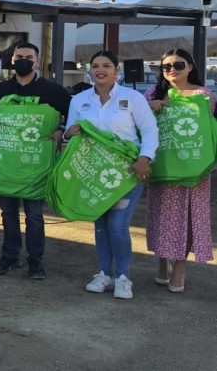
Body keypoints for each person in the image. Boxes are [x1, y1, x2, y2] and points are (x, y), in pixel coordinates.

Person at [65, 50, 158, 300]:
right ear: (90, 71)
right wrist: (70, 132)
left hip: (126, 173)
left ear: (117, 71)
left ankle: (123, 277)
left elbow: (149, 130)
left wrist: (144, 158)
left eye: (106, 65)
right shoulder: (79, 100)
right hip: (92, 173)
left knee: (117, 226)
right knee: (100, 226)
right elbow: (68, 132)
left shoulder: (132, 97)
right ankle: (104, 273)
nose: (100, 69)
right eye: (95, 66)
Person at [0, 42, 71, 280]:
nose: (23, 60)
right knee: (8, 213)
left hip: (36, 167)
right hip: (7, 166)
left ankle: (35, 260)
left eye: (29, 57)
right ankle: (9, 255)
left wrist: (61, 130)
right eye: (19, 56)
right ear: (12, 60)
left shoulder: (53, 91)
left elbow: (73, 115)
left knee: (35, 216)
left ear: (37, 62)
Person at [143, 48, 212, 293]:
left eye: (178, 65)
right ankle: (162, 261)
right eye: (166, 66)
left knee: (188, 218)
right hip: (163, 166)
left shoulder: (205, 96)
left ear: (191, 66)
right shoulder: (152, 94)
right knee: (161, 216)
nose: (172, 70)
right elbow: (136, 121)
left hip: (194, 170)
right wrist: (150, 105)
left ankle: (180, 267)